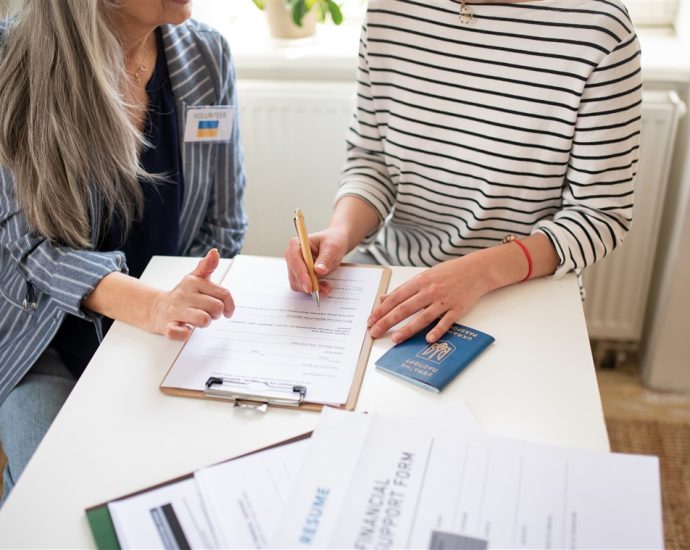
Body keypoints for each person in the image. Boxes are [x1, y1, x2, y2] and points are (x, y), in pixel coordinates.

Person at [0, 0, 246, 499]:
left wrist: (184, 302)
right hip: (42, 337)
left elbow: (224, 220)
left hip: (167, 332)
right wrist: (151, 306)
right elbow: (29, 246)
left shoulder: (206, 55)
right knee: (56, 501)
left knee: (194, 486)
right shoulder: (15, 56)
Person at [286, 0, 641, 345]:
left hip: (521, 289)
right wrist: (340, 232)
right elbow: (372, 160)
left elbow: (600, 215)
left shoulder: (599, 27)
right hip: (400, 278)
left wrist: (480, 271)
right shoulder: (389, 8)